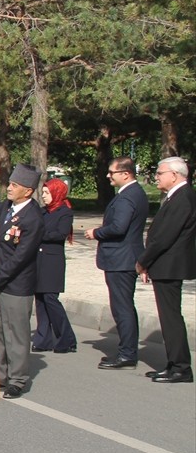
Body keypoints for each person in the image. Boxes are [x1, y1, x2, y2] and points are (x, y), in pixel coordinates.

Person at [0, 164, 44, 398]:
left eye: (14, 185)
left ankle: (18, 379)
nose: (9, 188)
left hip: (17, 284)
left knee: (16, 333)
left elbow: (21, 257)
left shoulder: (33, 218)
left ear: (28, 190)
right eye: (10, 184)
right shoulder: (8, 207)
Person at [84, 157, 148, 369]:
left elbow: (119, 227)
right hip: (125, 257)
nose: (108, 176)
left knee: (122, 308)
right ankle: (127, 351)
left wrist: (96, 233)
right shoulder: (134, 193)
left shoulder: (127, 197)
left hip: (121, 259)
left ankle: (127, 354)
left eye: (112, 172)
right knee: (124, 306)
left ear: (126, 174)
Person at [136, 157, 196, 384]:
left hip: (170, 265)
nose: (157, 177)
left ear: (175, 174)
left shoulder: (183, 198)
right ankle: (173, 364)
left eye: (160, 173)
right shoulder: (176, 197)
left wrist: (143, 261)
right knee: (168, 317)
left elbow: (164, 237)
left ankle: (180, 367)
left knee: (171, 317)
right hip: (165, 264)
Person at [32, 178, 77, 353]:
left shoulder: (65, 212)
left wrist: (38, 233)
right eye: (43, 193)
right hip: (38, 260)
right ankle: (43, 339)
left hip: (52, 261)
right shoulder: (43, 212)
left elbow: (60, 234)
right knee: (40, 300)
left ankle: (66, 338)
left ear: (56, 193)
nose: (43, 196)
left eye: (47, 193)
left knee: (51, 299)